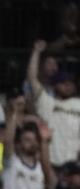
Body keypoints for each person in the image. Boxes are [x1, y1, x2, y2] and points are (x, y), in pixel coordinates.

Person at [29, 40, 80, 168]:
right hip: (51, 164)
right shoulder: (46, 102)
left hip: (75, 167)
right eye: (63, 83)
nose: (68, 86)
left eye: (71, 83)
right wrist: (36, 52)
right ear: (55, 85)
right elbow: (32, 79)